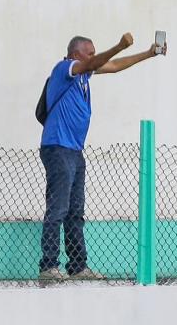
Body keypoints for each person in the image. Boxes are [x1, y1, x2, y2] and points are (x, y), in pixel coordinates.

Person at [38, 33, 167, 281]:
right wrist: (118, 45)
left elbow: (116, 66)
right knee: (58, 209)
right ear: (76, 54)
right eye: (90, 52)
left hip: (74, 151)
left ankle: (77, 267)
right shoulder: (65, 68)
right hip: (58, 147)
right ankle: (48, 266)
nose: (94, 57)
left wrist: (149, 53)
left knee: (75, 211)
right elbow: (91, 64)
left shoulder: (85, 76)